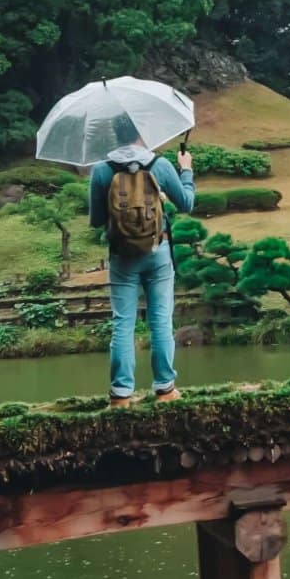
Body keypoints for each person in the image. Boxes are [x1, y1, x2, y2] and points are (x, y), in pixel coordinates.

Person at [87, 117, 197, 404]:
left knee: (123, 322)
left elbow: (96, 219)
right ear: (141, 133)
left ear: (116, 135)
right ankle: (165, 389)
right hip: (157, 250)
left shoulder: (101, 169)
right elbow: (186, 203)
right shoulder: (158, 165)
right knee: (160, 321)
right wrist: (186, 170)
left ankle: (121, 395)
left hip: (121, 255)